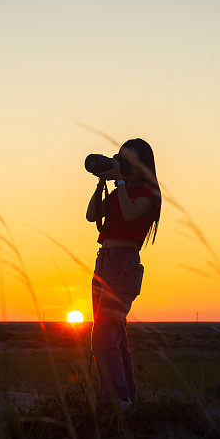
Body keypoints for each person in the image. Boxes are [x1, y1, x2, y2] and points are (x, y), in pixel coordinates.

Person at [86, 138, 161, 410]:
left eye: (126, 160)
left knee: (102, 335)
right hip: (103, 263)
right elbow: (91, 215)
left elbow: (130, 216)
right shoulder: (120, 190)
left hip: (124, 265)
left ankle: (117, 400)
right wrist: (102, 182)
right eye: (119, 158)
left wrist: (120, 181)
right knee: (116, 336)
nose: (121, 163)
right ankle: (128, 398)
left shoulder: (148, 194)